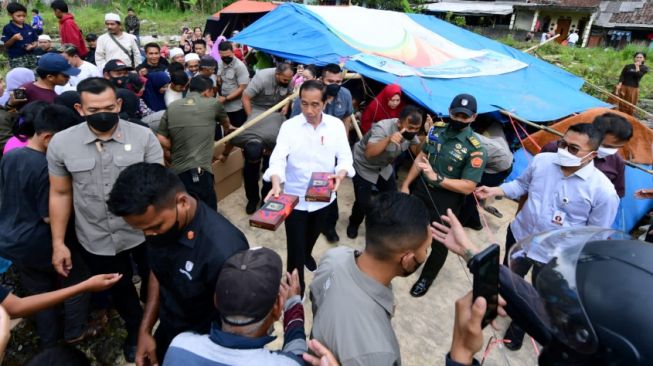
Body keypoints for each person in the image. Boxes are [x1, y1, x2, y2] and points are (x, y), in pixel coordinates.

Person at [433, 209, 653, 366]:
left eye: (569, 321)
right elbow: (536, 308)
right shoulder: (598, 351)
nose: (559, 320)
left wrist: (461, 352)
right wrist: (472, 253)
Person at [46, 77, 164, 362]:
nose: (103, 113)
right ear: (80, 108)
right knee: (118, 287)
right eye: (94, 108)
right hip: (96, 235)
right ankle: (135, 327)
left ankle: (155, 322)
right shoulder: (62, 143)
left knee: (156, 277)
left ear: (119, 104)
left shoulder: (142, 137)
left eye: (109, 107)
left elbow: (159, 186)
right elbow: (60, 194)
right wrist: (59, 243)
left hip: (143, 232)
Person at [476, 123, 620, 350]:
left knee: (538, 296)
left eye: (573, 149)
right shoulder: (543, 161)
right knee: (509, 278)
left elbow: (594, 237)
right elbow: (521, 185)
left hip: (554, 257)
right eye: (562, 143)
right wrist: (496, 190)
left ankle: (520, 327)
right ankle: (497, 305)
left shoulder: (603, 192)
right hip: (520, 236)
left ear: (592, 155)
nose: (563, 151)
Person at [106, 163, 249, 364]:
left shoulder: (225, 251)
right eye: (143, 230)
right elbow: (159, 269)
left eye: (154, 227)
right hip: (169, 329)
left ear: (182, 202)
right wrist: (146, 330)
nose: (149, 235)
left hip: (204, 347)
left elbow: (237, 325)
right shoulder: (159, 223)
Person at [0, 104, 89, 347]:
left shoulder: (11, 156)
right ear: (49, 138)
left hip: (12, 239)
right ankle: (75, 334)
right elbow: (50, 216)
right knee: (76, 283)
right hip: (42, 240)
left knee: (39, 294)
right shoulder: (46, 167)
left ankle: (50, 343)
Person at [310, 191, 431, 365]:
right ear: (407, 259)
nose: (425, 255)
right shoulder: (379, 353)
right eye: (426, 249)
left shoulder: (334, 257)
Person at [263, 80, 354, 294]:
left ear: (326, 102)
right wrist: (276, 182)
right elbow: (278, 159)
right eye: (304, 104)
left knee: (311, 237)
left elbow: (345, 157)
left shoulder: (335, 126)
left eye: (315, 104)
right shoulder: (289, 126)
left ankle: (306, 254)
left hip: (324, 198)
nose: (309, 110)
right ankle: (297, 290)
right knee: (294, 249)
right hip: (294, 199)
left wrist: (340, 174)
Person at [402, 94, 487, 298]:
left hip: (447, 200)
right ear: (449, 112)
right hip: (421, 190)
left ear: (473, 117)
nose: (459, 119)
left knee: (440, 242)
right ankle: (410, 257)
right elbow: (422, 157)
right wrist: (406, 184)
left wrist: (437, 178)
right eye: (456, 114)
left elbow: (468, 186)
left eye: (464, 117)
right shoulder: (436, 130)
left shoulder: (475, 149)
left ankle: (427, 277)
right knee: (411, 225)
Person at [164, 249, 307, 365]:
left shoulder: (180, 346)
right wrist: (293, 306)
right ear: (277, 308)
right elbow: (298, 357)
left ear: (216, 300)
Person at [289, 64, 354, 243]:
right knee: (306, 187)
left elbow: (347, 117)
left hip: (331, 148)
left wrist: (344, 140)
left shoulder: (345, 95)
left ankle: (329, 226)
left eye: (339, 81)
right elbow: (295, 126)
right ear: (321, 81)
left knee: (331, 188)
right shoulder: (304, 101)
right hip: (309, 149)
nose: (335, 84)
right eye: (330, 81)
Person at [347, 105, 422, 239]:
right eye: (410, 128)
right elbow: (369, 153)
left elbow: (418, 151)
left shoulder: (411, 134)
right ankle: (354, 223)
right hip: (364, 165)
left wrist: (428, 138)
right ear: (399, 123)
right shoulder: (382, 128)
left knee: (391, 197)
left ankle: (384, 226)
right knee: (363, 202)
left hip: (383, 166)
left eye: (417, 129)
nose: (413, 131)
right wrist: (388, 139)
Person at [157, 76, 231, 209]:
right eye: (212, 91)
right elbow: (227, 126)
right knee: (206, 210)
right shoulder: (213, 103)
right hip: (198, 171)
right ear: (207, 91)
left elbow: (160, 137)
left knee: (184, 207)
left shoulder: (173, 106)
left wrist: (175, 149)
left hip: (177, 171)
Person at [234, 63, 294, 214]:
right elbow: (246, 97)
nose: (288, 82)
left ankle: (265, 198)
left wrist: (286, 106)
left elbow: (288, 97)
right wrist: (252, 120)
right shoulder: (262, 77)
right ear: (277, 75)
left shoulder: (289, 79)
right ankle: (252, 199)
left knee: (271, 164)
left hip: (275, 117)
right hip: (256, 112)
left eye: (289, 80)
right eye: (285, 80)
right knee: (251, 164)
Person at [539, 113, 632, 198]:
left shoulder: (616, 162)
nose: (609, 151)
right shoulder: (554, 149)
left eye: (616, 147)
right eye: (606, 146)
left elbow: (615, 196)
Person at [458, 132, 513, 230]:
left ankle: (458, 225)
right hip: (497, 158)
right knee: (471, 194)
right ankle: (474, 222)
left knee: (471, 194)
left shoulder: (474, 148)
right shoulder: (465, 136)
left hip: (500, 168)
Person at [12, 53, 80, 108]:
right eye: (65, 75)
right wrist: (11, 103)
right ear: (50, 77)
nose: (69, 78)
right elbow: (8, 110)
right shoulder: (22, 90)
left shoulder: (25, 86)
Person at [217, 41, 249, 128]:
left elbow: (242, 88)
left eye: (228, 56)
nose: (226, 58)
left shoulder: (240, 66)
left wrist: (226, 98)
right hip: (222, 106)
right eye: (223, 56)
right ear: (219, 54)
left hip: (236, 107)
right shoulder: (219, 63)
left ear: (233, 52)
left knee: (237, 131)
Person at [2, 2, 38, 69]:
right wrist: (13, 38)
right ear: (10, 14)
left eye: (24, 16)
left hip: (31, 56)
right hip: (17, 59)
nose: (22, 18)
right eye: (18, 16)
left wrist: (32, 46)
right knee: (20, 77)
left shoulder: (28, 27)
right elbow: (6, 45)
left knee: (33, 75)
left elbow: (35, 41)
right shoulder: (8, 28)